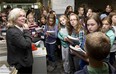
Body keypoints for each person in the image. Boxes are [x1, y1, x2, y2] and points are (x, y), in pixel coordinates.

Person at [6, 8, 33, 74]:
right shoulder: (13, 32)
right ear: (14, 18)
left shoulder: (19, 27)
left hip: (23, 62)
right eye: (20, 16)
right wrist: (26, 30)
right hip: (21, 65)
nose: (23, 18)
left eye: (24, 16)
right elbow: (26, 44)